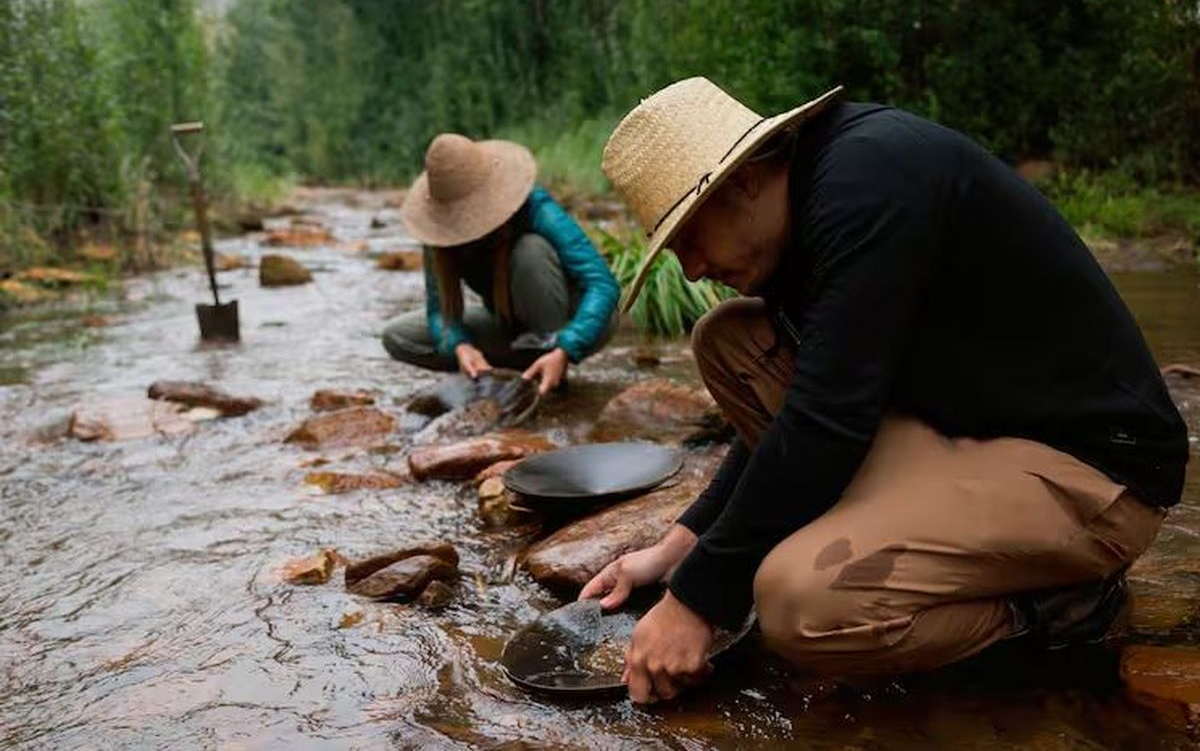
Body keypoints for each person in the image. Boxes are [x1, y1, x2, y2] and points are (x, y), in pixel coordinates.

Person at [585, 77, 1189, 704]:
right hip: (973, 435)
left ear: (741, 181)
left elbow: (825, 420)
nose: (693, 269)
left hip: (1098, 474)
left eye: (688, 238)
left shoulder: (869, 183)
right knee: (729, 340)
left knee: (798, 605)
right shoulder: (806, 206)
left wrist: (696, 602)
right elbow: (808, 405)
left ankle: (1060, 603)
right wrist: (681, 548)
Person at [383, 133, 619, 394]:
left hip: (572, 323)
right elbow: (440, 312)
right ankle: (513, 371)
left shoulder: (534, 206)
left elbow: (602, 283)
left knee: (531, 250)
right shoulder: (438, 232)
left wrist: (567, 347)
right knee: (398, 336)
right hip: (510, 327)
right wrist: (460, 346)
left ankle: (550, 363)